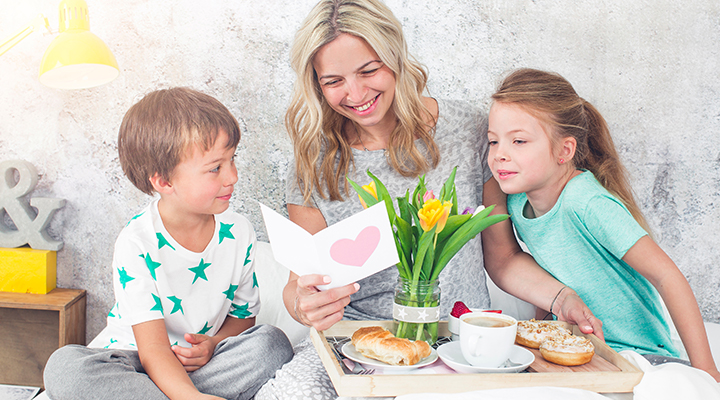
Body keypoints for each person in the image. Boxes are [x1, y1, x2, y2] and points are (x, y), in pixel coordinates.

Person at [255, 1, 602, 398]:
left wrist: (563, 297)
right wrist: (304, 304)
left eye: (369, 71)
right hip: (357, 342)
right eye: (333, 80)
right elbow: (300, 283)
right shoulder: (313, 162)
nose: (356, 93)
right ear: (316, 84)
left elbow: (502, 258)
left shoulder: (470, 130)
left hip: (458, 344)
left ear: (397, 59)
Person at [43, 87, 294, 400]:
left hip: (198, 366)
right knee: (65, 367)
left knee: (271, 342)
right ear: (164, 181)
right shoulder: (136, 242)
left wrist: (214, 345)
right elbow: (152, 350)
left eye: (232, 160)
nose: (232, 176)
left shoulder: (239, 231)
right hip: (135, 363)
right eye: (215, 167)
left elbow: (243, 320)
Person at [487, 67, 720, 381]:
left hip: (638, 355)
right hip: (581, 352)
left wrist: (706, 371)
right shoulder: (517, 200)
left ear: (564, 150)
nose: (500, 154)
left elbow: (667, 276)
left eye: (518, 141)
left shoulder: (587, 202)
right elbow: (551, 270)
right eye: (493, 141)